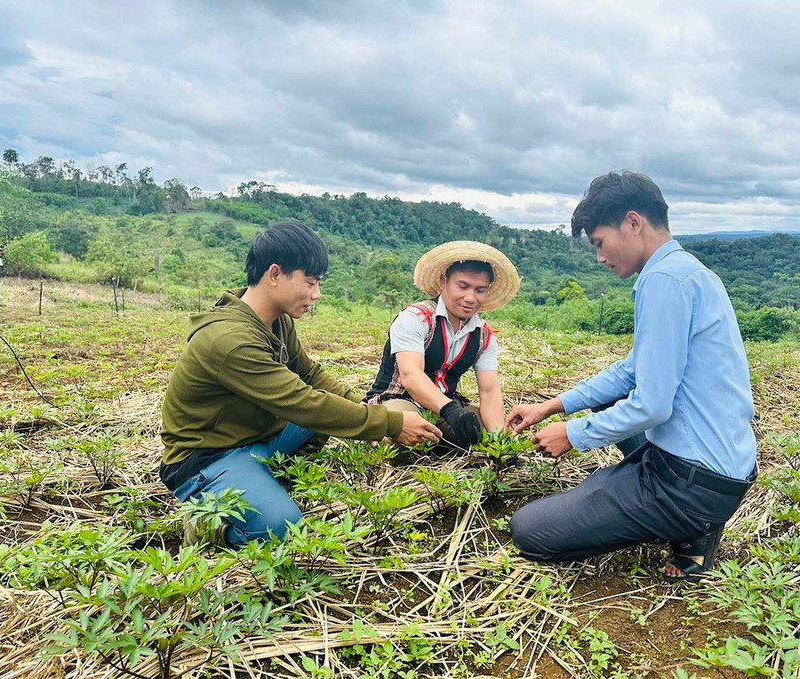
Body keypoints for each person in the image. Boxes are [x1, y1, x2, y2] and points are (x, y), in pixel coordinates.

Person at [505, 171, 757, 581]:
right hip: (726, 470)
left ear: (633, 222)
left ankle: (691, 526)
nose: (600, 257)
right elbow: (631, 371)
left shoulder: (662, 281)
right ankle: (677, 510)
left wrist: (573, 433)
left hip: (692, 486)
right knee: (607, 398)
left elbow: (653, 405)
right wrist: (552, 406)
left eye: (600, 243)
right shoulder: (688, 271)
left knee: (529, 531)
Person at [160, 221, 441, 547]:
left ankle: (265, 485)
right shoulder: (231, 340)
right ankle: (211, 522)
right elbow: (303, 402)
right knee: (282, 527)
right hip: (207, 458)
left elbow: (310, 376)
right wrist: (388, 423)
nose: (316, 294)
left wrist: (368, 408)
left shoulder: (274, 320)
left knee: (330, 414)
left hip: (257, 436)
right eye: (309, 282)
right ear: (275, 274)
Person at [365, 241, 520, 447]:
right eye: (463, 286)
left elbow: (489, 390)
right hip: (400, 399)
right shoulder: (417, 318)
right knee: (400, 431)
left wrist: (498, 442)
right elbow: (411, 375)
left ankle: (444, 441)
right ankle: (380, 435)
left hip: (444, 405)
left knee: (482, 430)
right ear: (443, 282)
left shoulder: (484, 336)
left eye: (480, 290)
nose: (470, 298)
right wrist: (450, 410)